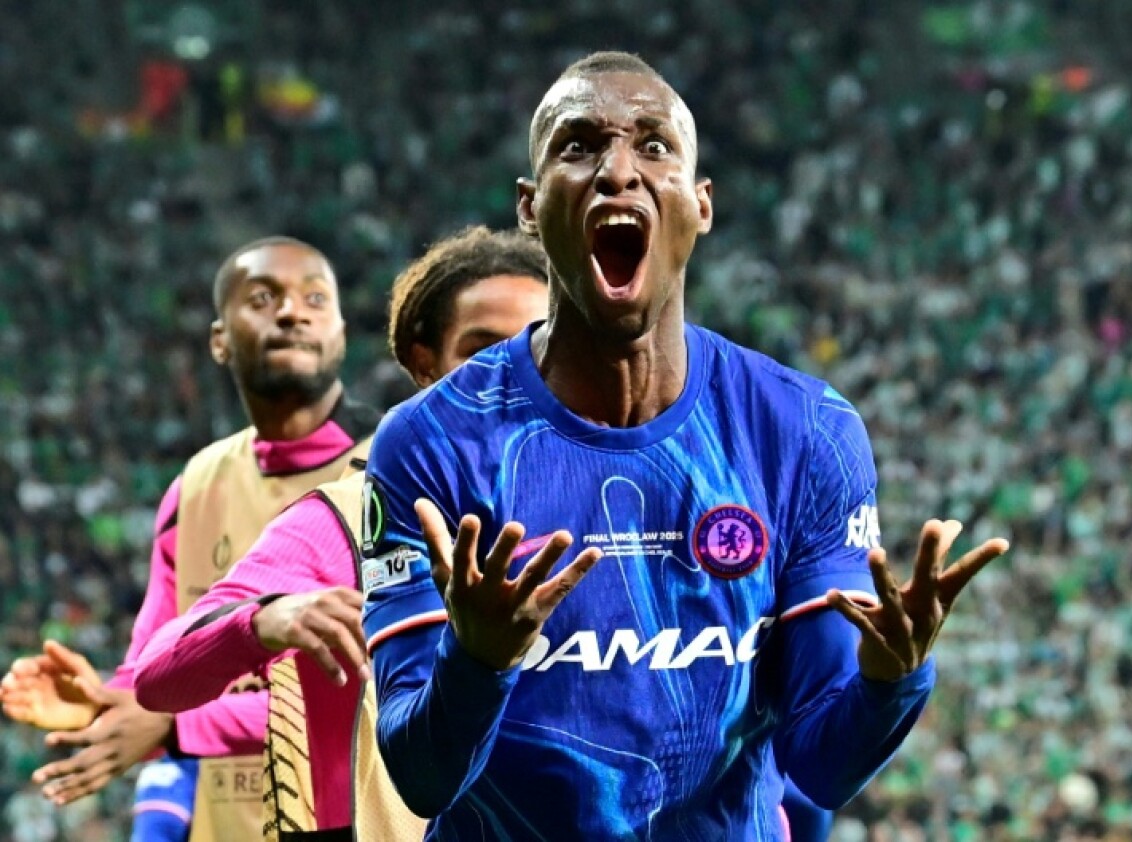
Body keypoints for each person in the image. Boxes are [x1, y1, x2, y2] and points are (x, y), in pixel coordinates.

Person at [357, 51, 1011, 840]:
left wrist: (891, 680)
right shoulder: (431, 444)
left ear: (700, 205)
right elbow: (423, 779)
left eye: (654, 146)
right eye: (579, 145)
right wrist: (480, 661)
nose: (618, 171)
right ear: (530, 210)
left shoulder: (802, 430)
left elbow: (824, 767)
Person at [132, 227, 550, 839]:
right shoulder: (350, 513)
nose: (513, 373)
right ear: (424, 365)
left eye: (539, 347)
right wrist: (264, 618)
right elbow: (157, 675)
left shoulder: (626, 502)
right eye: (483, 350)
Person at [0, 237, 380, 842]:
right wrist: (106, 700)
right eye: (263, 297)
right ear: (219, 339)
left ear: (339, 330)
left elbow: (377, 683)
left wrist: (175, 724)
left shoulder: (392, 466)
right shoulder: (197, 484)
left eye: (315, 298)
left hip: (353, 821)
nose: (292, 311)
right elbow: (155, 655)